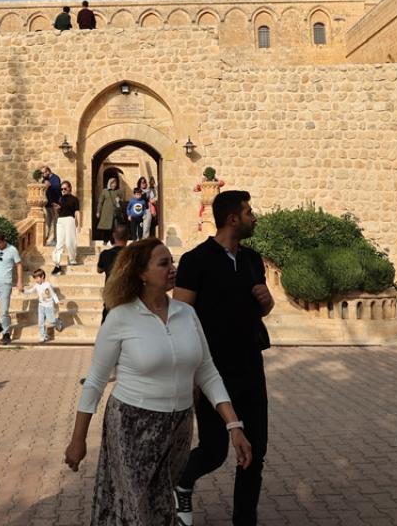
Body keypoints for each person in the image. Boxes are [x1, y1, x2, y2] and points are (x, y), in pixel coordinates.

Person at [64, 238, 252, 525]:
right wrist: (78, 440)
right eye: (164, 263)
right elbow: (95, 382)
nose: (172, 269)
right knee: (138, 508)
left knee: (161, 502)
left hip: (179, 427)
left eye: (172, 262)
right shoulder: (120, 317)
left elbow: (207, 371)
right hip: (132, 425)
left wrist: (233, 425)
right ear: (141, 272)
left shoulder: (186, 313)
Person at [173, 190, 275, 526]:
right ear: (233, 219)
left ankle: (244, 520)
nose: (253, 217)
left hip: (251, 368)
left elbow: (260, 309)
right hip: (213, 372)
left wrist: (267, 302)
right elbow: (181, 318)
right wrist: (189, 374)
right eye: (248, 212)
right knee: (215, 451)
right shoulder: (196, 260)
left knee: (255, 451)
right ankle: (181, 481)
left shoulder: (252, 260)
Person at [96, 222, 130, 323]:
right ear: (127, 236)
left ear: (114, 235)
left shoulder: (105, 254)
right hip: (128, 297)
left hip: (111, 297)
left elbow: (99, 270)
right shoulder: (133, 254)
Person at [23, 268, 64, 342]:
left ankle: (58, 322)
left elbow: (53, 294)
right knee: (40, 322)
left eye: (37, 278)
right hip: (41, 306)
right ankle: (43, 336)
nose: (36, 280)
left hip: (49, 306)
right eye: (35, 278)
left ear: (42, 277)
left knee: (51, 321)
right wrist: (23, 290)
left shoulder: (48, 285)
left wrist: (57, 301)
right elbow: (30, 291)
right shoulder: (36, 285)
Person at [52, 180, 81, 276]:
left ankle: (72, 259)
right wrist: (57, 208)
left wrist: (79, 224)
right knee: (59, 244)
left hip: (70, 220)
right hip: (60, 221)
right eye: (61, 189)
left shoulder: (74, 199)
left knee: (70, 242)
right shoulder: (60, 199)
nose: (63, 190)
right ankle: (57, 264)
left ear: (69, 188)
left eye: (65, 188)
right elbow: (59, 212)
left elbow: (77, 212)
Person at [94, 176, 124, 246]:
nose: (114, 185)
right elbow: (100, 202)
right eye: (112, 183)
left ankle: (113, 242)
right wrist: (98, 211)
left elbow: (122, 201)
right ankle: (105, 241)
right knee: (106, 228)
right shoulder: (105, 191)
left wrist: (119, 201)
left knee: (114, 228)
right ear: (109, 184)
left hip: (115, 212)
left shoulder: (118, 191)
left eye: (115, 183)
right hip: (106, 213)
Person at [41, 166, 62, 245]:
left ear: (48, 172)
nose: (43, 174)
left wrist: (50, 185)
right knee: (48, 222)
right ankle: (47, 239)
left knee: (55, 221)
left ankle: (54, 239)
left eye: (44, 172)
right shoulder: (44, 179)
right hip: (47, 204)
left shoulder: (55, 178)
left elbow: (57, 188)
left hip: (55, 204)